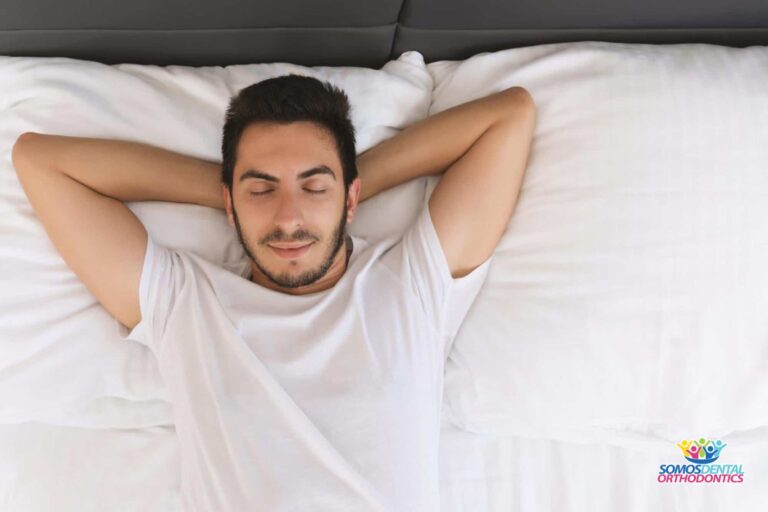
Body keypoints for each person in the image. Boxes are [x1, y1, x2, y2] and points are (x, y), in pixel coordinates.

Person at [12, 75, 536, 511]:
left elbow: (509, 116)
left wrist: (344, 190)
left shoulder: (412, 283)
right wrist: (271, 195)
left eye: (315, 186)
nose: (289, 219)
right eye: (261, 188)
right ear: (230, 199)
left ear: (352, 195)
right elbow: (40, 162)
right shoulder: (187, 304)